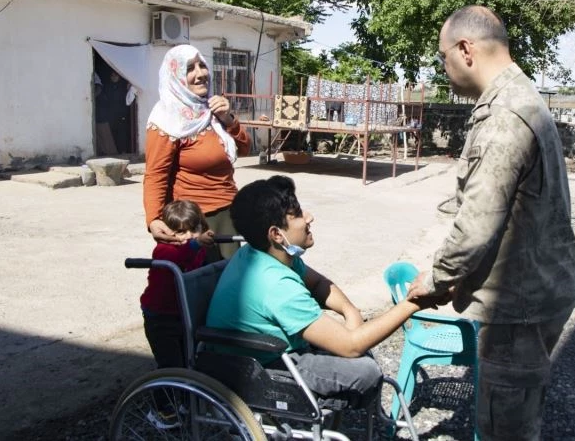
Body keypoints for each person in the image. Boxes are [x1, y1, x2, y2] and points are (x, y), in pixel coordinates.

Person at [406, 5, 575, 441]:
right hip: (540, 288)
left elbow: (478, 225)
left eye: (443, 57)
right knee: (518, 414)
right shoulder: (523, 97)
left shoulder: (504, 117)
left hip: (519, 303)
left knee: (506, 428)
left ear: (466, 49)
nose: (443, 69)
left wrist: (437, 278)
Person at [206, 176, 446, 407]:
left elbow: (318, 284)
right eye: (298, 214)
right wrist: (413, 304)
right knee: (366, 371)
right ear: (276, 234)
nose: (310, 217)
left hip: (266, 351)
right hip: (261, 368)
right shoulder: (276, 285)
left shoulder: (266, 254)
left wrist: (350, 311)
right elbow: (350, 345)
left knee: (361, 347)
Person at [143, 44, 250, 262]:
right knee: (200, 283)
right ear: (176, 75)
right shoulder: (166, 119)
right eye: (190, 68)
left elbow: (245, 148)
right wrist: (153, 219)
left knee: (231, 284)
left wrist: (227, 118)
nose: (200, 74)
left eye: (202, 66)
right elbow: (155, 175)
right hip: (193, 220)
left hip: (228, 212)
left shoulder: (210, 110)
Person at [139, 199, 214, 429]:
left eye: (194, 230)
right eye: (181, 232)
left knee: (186, 360)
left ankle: (182, 401)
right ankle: (160, 411)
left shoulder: (196, 248)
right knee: (169, 365)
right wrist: (196, 244)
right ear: (167, 232)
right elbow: (178, 258)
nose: (188, 236)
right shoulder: (164, 249)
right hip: (159, 317)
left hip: (182, 316)